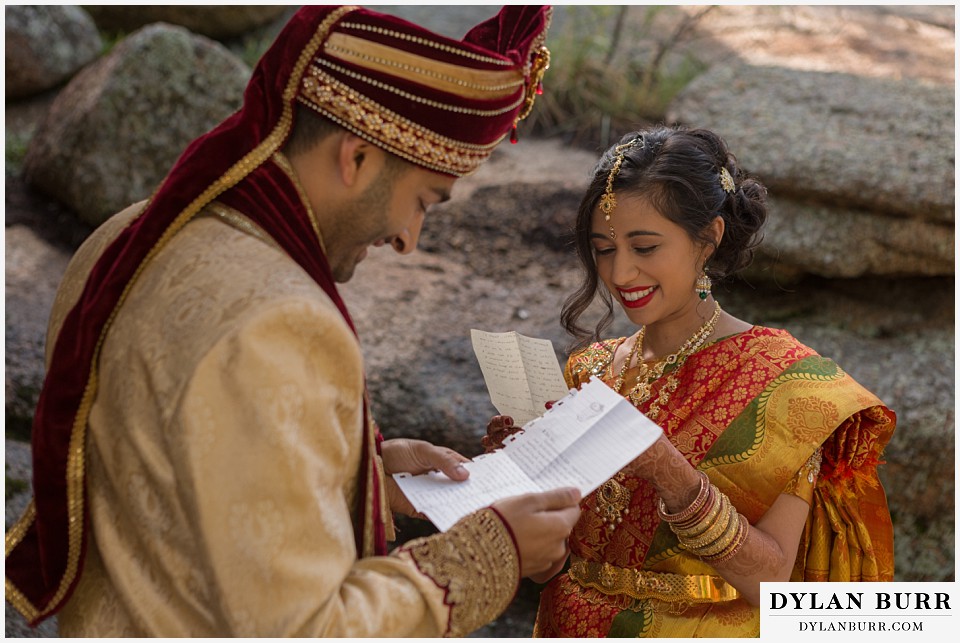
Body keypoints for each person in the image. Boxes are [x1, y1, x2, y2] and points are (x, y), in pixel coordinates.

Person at [4, 6, 584, 637]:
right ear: (356, 157)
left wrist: (361, 473)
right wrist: (490, 553)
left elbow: (177, 479)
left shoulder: (131, 234)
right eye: (421, 201)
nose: (409, 239)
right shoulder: (283, 323)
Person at [485, 125, 896, 637]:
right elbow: (553, 567)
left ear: (709, 239)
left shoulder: (781, 382)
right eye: (604, 249)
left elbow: (772, 584)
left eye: (645, 246)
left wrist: (667, 470)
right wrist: (521, 482)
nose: (620, 273)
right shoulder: (589, 371)